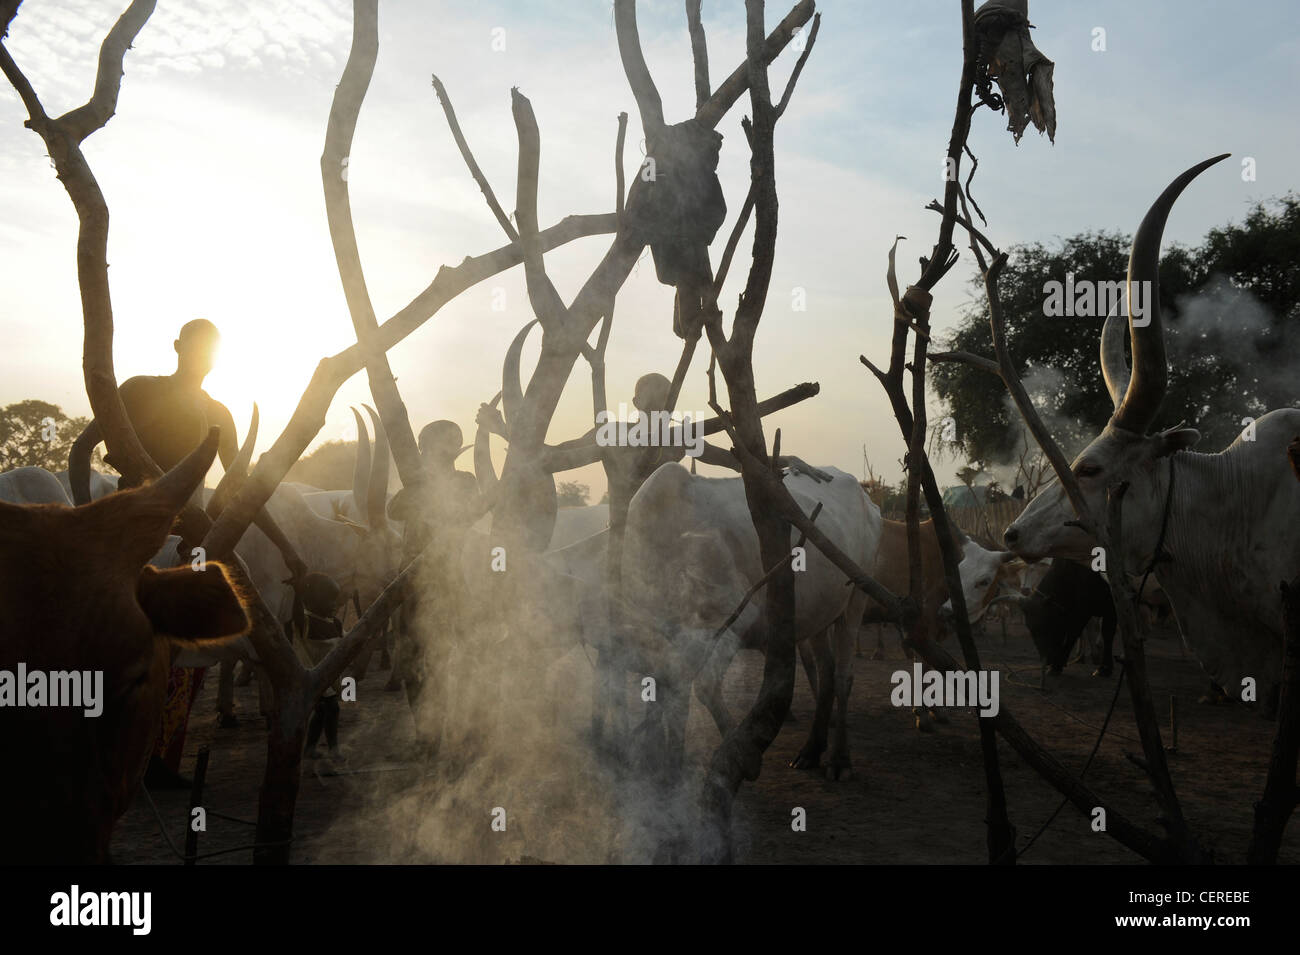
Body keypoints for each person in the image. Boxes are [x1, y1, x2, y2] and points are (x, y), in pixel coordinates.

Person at [68, 319, 306, 788]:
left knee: (182, 652)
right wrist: (86, 524)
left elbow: (239, 491)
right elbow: (81, 450)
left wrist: (287, 549)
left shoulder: (218, 413)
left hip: (187, 549)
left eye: (210, 351)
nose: (200, 358)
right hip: (128, 540)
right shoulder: (137, 392)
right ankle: (100, 755)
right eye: (193, 347)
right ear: (176, 347)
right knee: (115, 649)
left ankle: (156, 759)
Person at [386, 421, 483, 713]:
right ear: (422, 448)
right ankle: (424, 732)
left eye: (452, 442)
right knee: (413, 655)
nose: (444, 449)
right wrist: (421, 487)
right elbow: (394, 511)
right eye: (436, 443)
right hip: (412, 578)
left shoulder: (465, 481)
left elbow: (467, 515)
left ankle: (461, 723)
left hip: (450, 574)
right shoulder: (416, 483)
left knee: (460, 653)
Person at [291, 573, 346, 766]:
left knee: (324, 711)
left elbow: (345, 646)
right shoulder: (306, 622)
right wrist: (296, 593)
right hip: (312, 672)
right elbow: (295, 614)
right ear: (312, 601)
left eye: (335, 600)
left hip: (331, 676)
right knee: (330, 707)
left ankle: (311, 747)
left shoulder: (336, 624)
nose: (333, 604)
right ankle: (332, 748)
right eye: (328, 600)